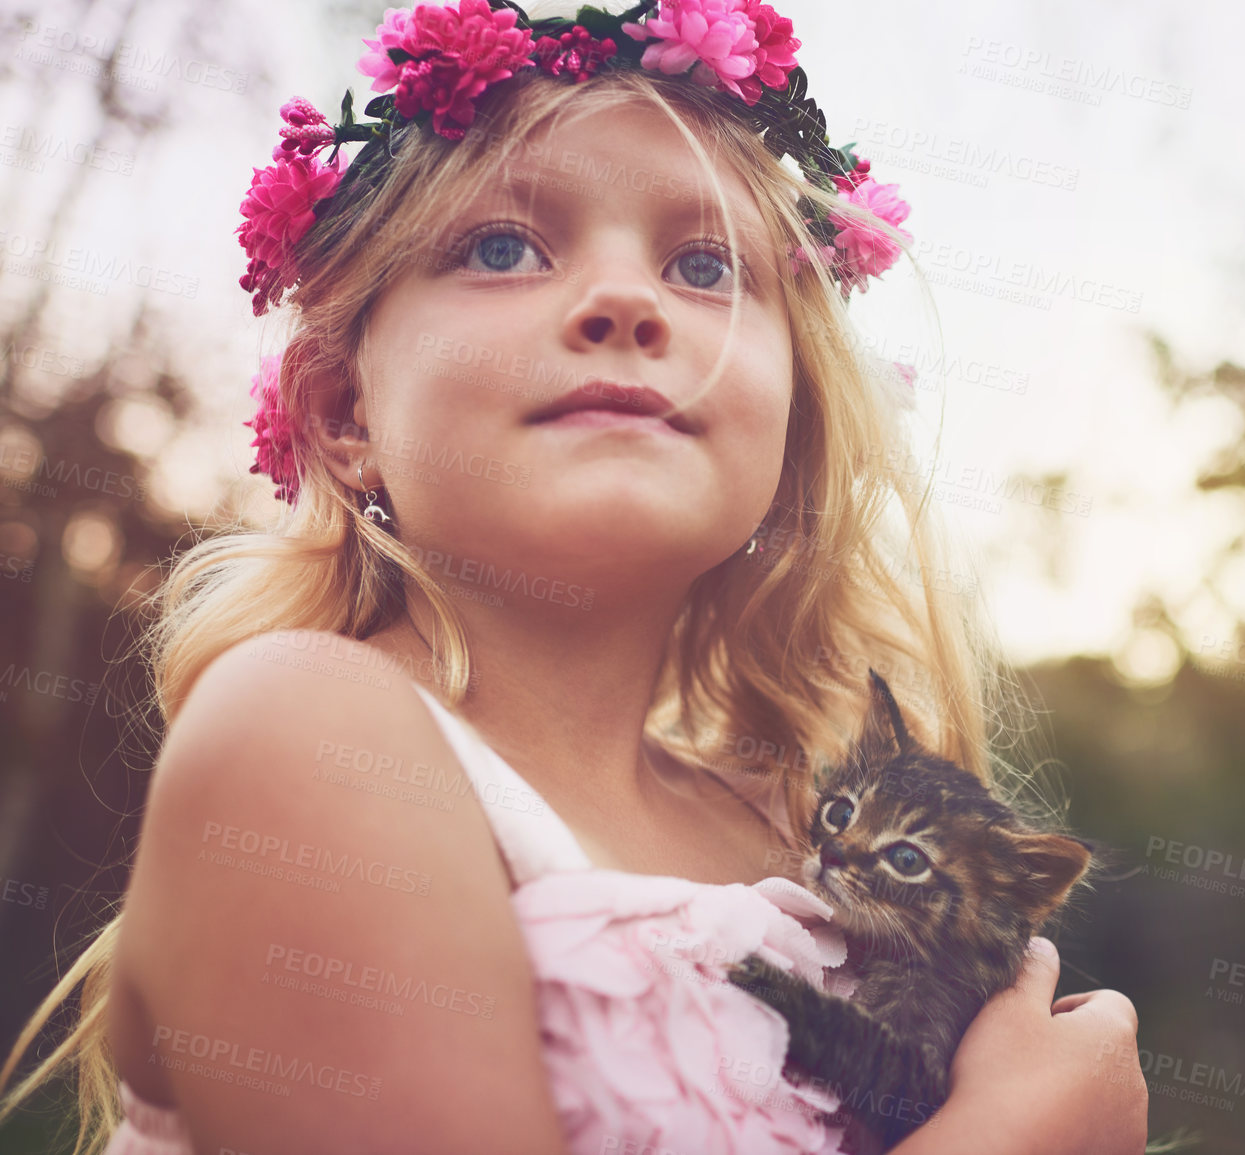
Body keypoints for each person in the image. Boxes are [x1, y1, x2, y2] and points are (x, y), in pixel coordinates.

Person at [0, 2, 1148, 1152]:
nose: (626, 302)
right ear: (345, 413)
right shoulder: (309, 734)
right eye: (502, 248)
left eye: (705, 266)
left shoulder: (794, 832)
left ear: (793, 421)